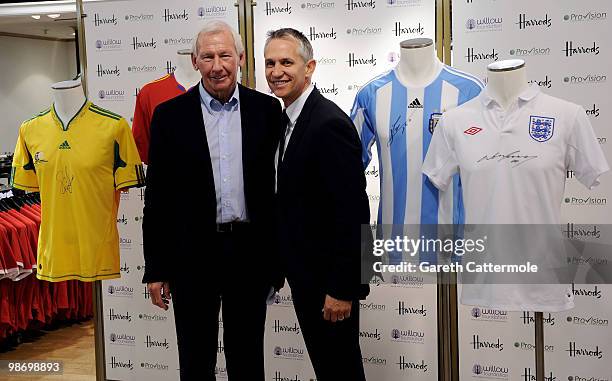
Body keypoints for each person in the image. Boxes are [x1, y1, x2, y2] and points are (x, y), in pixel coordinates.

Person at [142, 20, 282, 381]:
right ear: (194, 61)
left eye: (224, 55)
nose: (217, 65)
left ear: (240, 58)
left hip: (249, 254)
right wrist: (156, 268)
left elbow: (276, 193)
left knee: (248, 358)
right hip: (191, 257)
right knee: (194, 357)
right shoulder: (169, 116)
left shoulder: (267, 111)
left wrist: (276, 260)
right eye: (207, 56)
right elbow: (157, 198)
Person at [264, 28, 370, 381]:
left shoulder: (328, 123)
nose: (276, 71)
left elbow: (354, 212)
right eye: (270, 63)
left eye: (286, 62)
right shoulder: (285, 119)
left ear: (309, 67)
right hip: (305, 277)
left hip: (329, 285)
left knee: (341, 371)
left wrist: (343, 288)